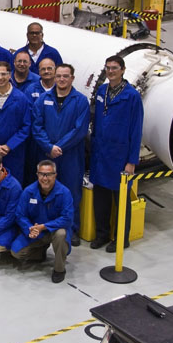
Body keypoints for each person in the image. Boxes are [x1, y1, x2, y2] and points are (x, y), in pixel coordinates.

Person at [90, 55, 144, 253]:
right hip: (101, 153)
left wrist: (131, 161)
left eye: (114, 68)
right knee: (100, 198)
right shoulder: (102, 90)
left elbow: (136, 130)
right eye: (108, 68)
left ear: (122, 70)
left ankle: (121, 237)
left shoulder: (132, 96)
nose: (110, 71)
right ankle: (102, 234)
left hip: (120, 156)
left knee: (121, 200)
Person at [32, 64, 90, 247]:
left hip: (71, 155)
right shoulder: (43, 99)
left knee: (72, 192)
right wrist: (49, 146)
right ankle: (48, 227)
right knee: (46, 191)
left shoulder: (80, 101)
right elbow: (36, 125)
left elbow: (80, 130)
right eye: (59, 76)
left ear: (72, 78)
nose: (62, 79)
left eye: (66, 76)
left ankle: (71, 229)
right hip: (47, 155)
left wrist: (59, 147)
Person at [11, 160, 74, 283]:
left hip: (54, 231)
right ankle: (39, 252)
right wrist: (29, 228)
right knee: (16, 252)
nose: (45, 178)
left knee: (61, 234)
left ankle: (59, 269)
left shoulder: (64, 192)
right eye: (42, 174)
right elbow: (20, 215)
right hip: (36, 232)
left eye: (49, 174)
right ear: (37, 175)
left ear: (55, 175)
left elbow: (67, 218)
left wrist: (44, 227)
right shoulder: (28, 192)